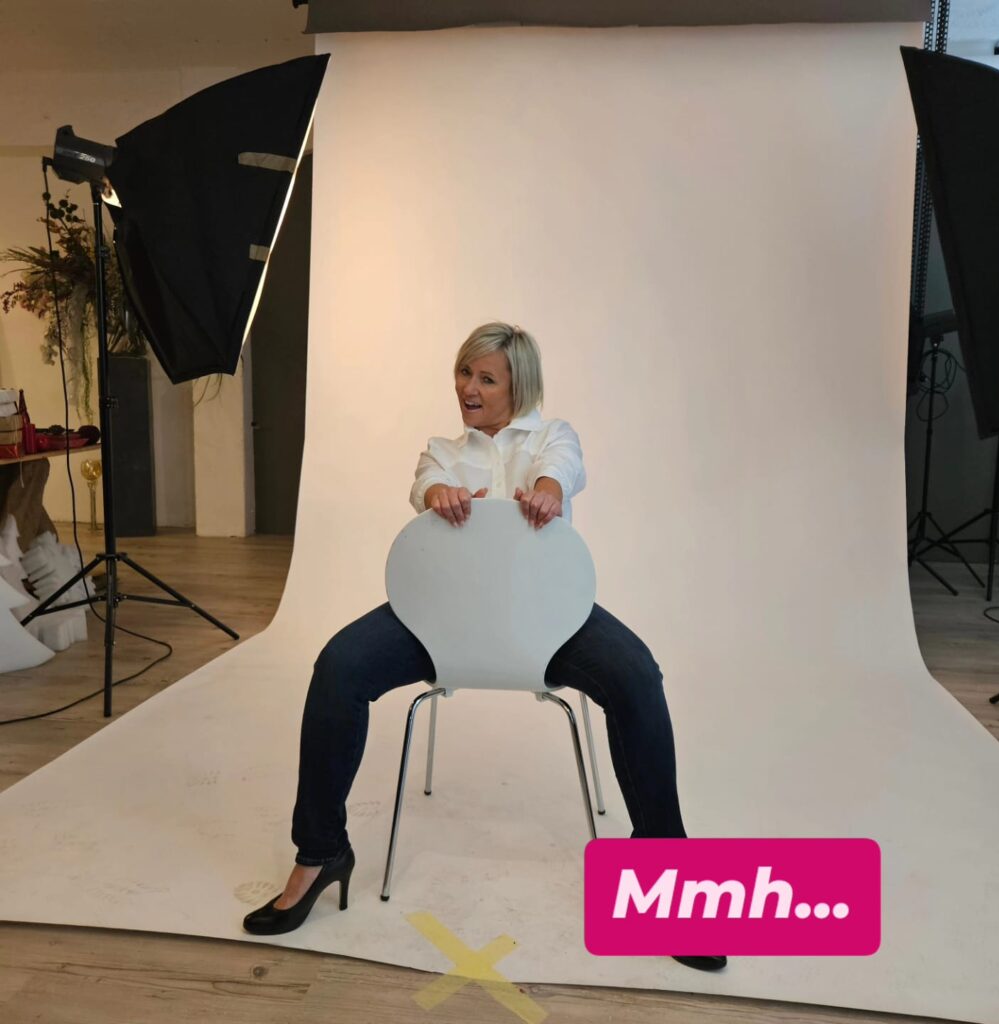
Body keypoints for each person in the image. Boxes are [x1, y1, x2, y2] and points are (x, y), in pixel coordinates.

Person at [243, 322, 726, 972]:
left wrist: (549, 492)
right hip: (440, 624)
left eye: (485, 378)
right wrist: (436, 496)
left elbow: (562, 470)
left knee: (637, 674)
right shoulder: (442, 451)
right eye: (464, 372)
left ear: (517, 387)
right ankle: (320, 852)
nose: (468, 387)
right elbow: (424, 484)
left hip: (548, 622)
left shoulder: (553, 437)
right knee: (339, 666)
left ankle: (664, 879)